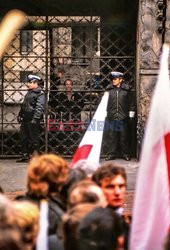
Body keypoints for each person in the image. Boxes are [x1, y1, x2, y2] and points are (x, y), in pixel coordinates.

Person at [92, 162, 130, 250]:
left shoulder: (123, 220)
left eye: (121, 186)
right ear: (98, 189)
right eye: (110, 187)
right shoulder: (93, 224)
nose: (117, 192)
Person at [105, 71, 135, 161]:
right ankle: (111, 154)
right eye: (112, 79)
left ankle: (125, 154)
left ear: (120, 79)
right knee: (112, 137)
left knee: (124, 137)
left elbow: (131, 104)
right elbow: (104, 103)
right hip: (111, 117)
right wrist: (105, 114)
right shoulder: (109, 90)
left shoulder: (127, 90)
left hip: (123, 117)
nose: (113, 81)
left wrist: (131, 116)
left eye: (115, 79)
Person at [17, 74, 45, 162]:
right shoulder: (30, 93)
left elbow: (39, 107)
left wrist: (36, 118)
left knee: (34, 139)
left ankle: (36, 157)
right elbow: (25, 105)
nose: (28, 84)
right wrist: (20, 114)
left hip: (32, 120)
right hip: (25, 119)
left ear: (35, 83)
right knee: (23, 138)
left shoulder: (40, 94)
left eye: (30, 82)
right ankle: (25, 155)